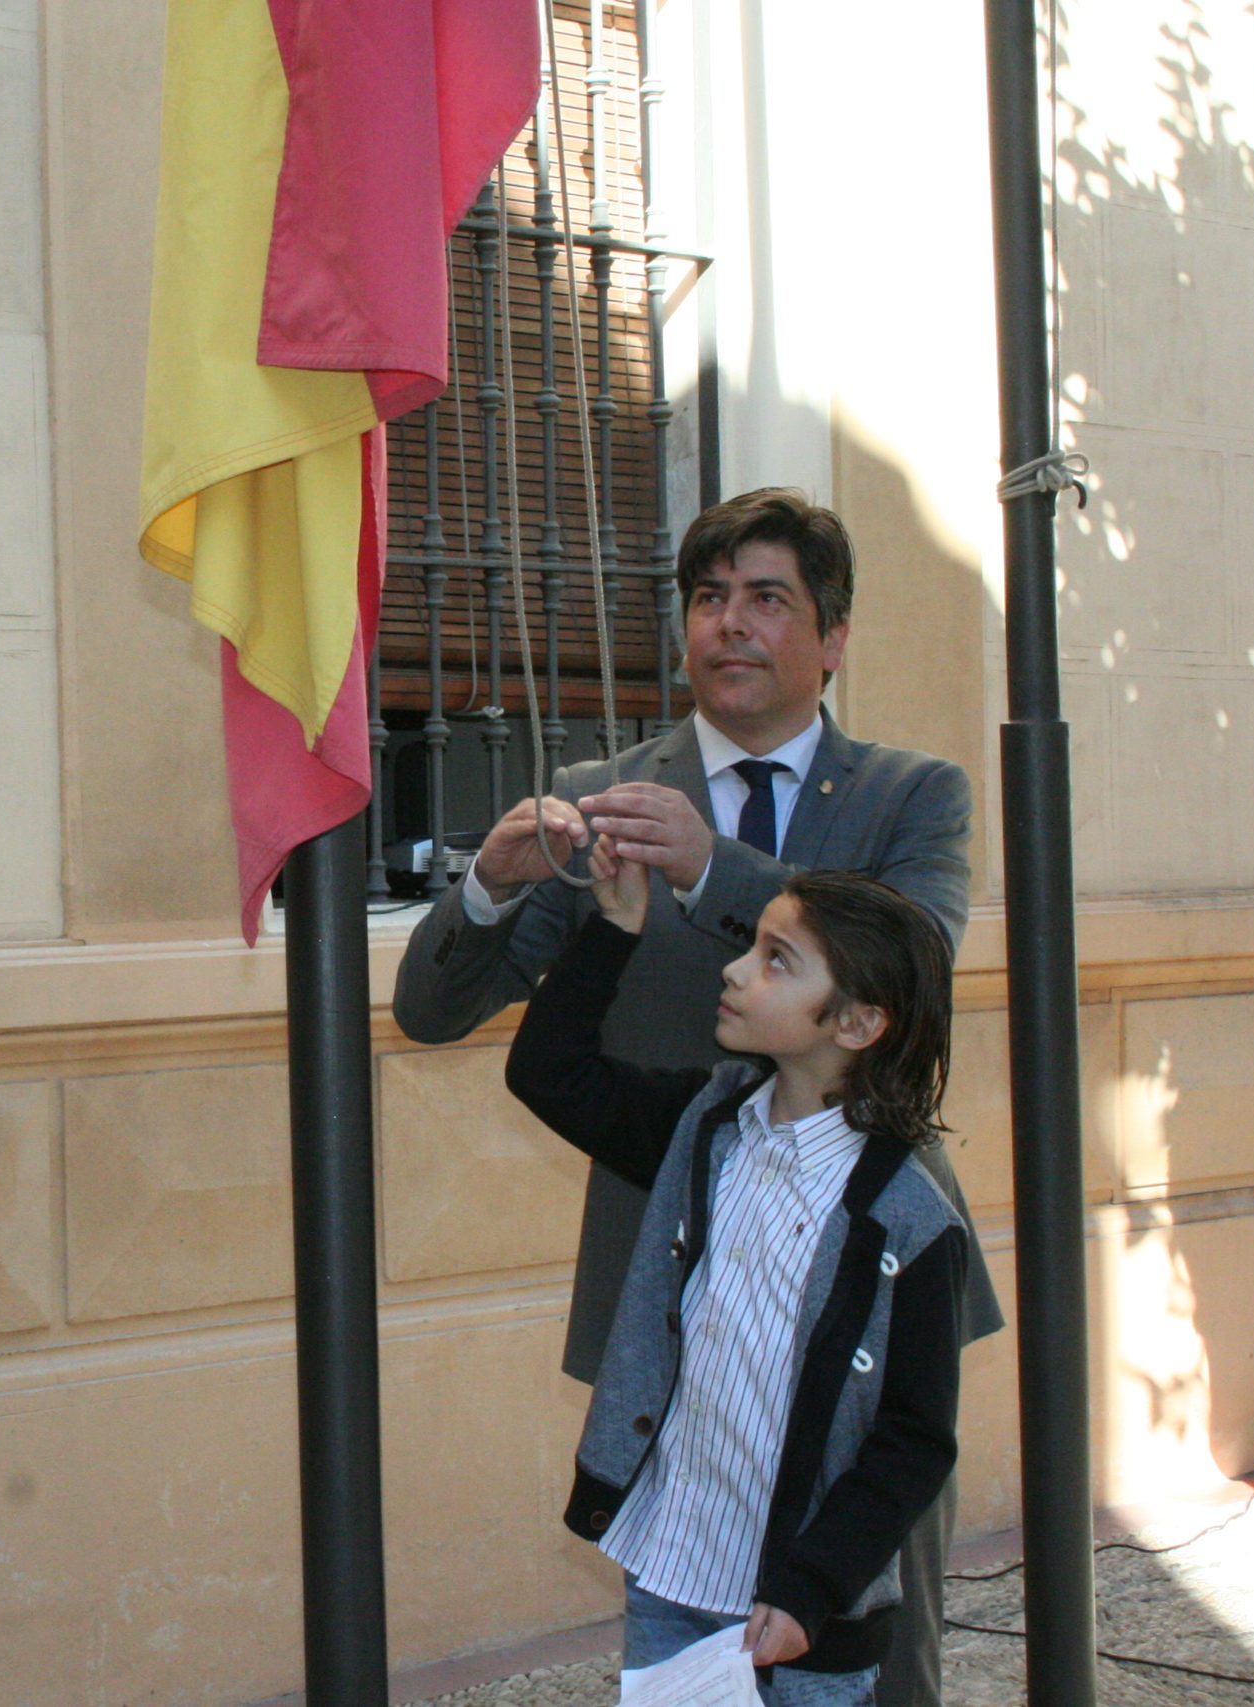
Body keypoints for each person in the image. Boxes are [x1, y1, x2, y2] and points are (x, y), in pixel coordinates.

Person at [392, 487, 996, 1707]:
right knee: (686, 1647)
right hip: (674, 1302)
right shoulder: (603, 789)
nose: (730, 625)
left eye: (768, 599)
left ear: (830, 638)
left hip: (860, 1292)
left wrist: (714, 867)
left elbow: (915, 963)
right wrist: (493, 889)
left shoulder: (909, 792)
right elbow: (430, 1013)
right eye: (708, 599)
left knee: (870, 1649)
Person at [506, 858, 969, 1707]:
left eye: (776, 959)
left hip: (796, 1609)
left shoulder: (910, 1221)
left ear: (859, 1022)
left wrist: (812, 1588)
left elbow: (915, 1439)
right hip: (674, 1564)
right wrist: (612, 926)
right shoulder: (705, 1125)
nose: (735, 968)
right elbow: (547, 1072)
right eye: (753, 946)